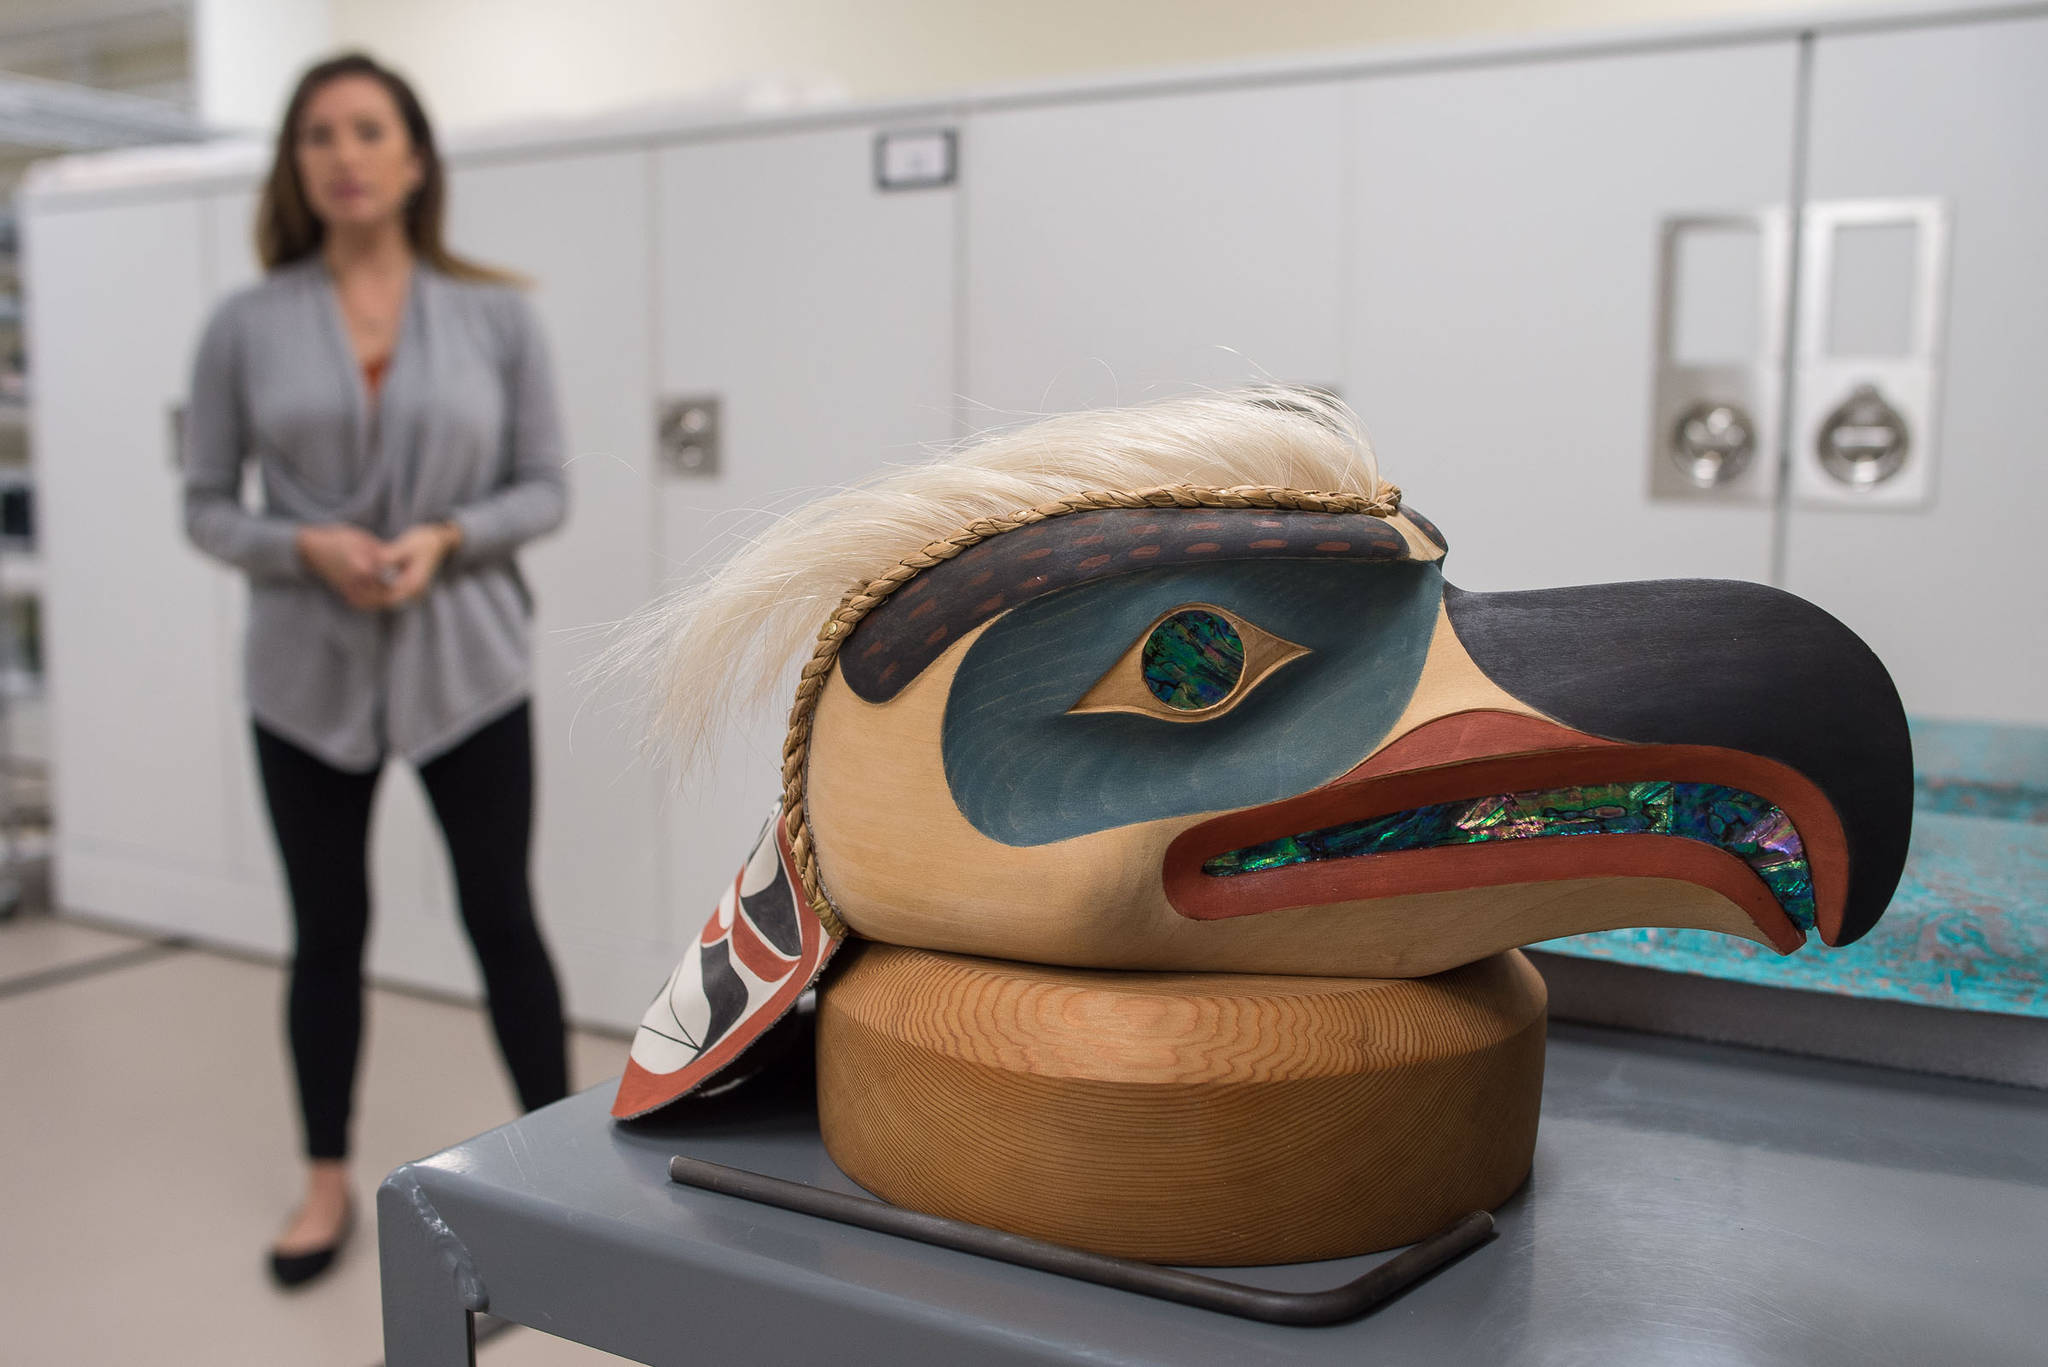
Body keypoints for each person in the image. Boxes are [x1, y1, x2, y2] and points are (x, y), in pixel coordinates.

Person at [182, 52, 571, 1289]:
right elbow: (205, 504)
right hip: (303, 676)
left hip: (470, 665)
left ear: (413, 159)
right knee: (327, 928)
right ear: (294, 164)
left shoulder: (498, 316)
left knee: (500, 914)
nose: (343, 155)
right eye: (318, 135)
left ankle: (567, 1180)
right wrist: (301, 547)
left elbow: (545, 488)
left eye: (367, 130)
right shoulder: (243, 325)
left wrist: (447, 536)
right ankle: (322, 1179)